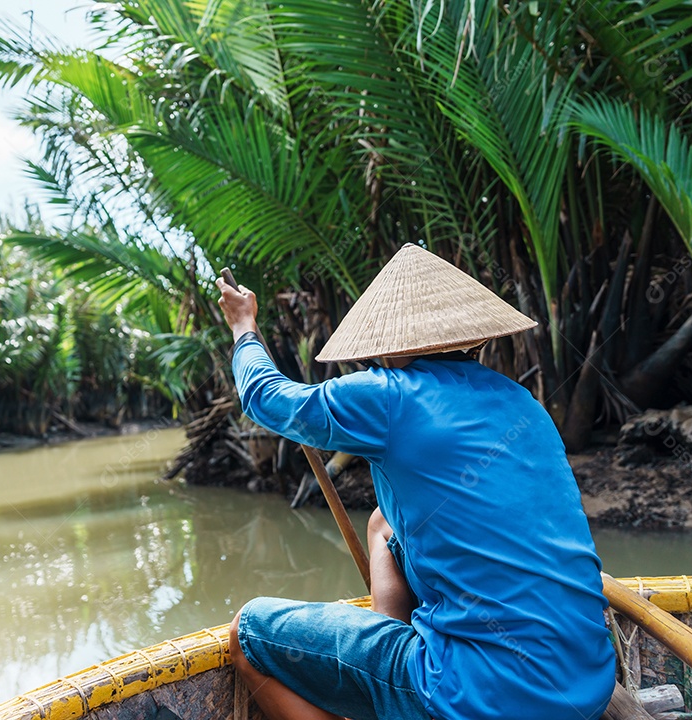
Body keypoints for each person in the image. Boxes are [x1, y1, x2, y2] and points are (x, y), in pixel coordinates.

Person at [215, 244, 615, 720]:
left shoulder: (389, 397)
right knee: (383, 524)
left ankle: (413, 686)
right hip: (588, 683)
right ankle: (392, 667)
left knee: (247, 633)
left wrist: (244, 326)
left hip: (482, 697)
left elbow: (266, 398)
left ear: (392, 343)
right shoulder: (522, 403)